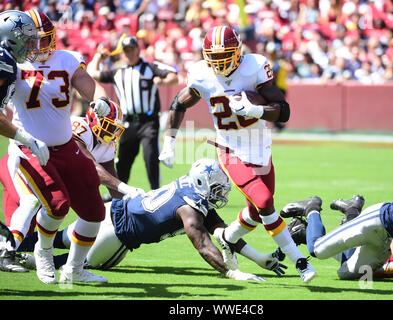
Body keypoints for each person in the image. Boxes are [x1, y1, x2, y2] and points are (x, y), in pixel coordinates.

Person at [158, 25, 316, 283]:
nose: (219, 62)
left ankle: (227, 239)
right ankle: (300, 261)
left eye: (225, 55)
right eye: (214, 57)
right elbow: (178, 103)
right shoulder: (200, 73)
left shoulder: (255, 66)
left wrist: (257, 111)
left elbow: (283, 110)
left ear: (238, 51)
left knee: (255, 213)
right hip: (229, 148)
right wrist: (169, 142)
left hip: (260, 145)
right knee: (265, 203)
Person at [18, 158, 287, 281]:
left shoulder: (190, 190)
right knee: (76, 262)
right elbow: (204, 244)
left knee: (65, 237)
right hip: (119, 237)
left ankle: (11, 246)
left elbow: (223, 234)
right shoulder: (190, 209)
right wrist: (231, 272)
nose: (219, 195)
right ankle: (24, 259)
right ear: (203, 183)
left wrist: (259, 257)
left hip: (116, 210)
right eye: (216, 189)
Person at [4, 8, 112, 284]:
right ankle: (43, 252)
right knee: (57, 204)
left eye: (43, 38)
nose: (38, 45)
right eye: (33, 39)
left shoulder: (66, 58)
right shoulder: (11, 63)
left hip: (65, 146)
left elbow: (89, 86)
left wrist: (100, 101)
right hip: (31, 147)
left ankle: (74, 269)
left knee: (94, 211)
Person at [0, 99, 146, 272]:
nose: (111, 132)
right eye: (108, 126)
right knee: (26, 211)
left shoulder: (107, 143)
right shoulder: (78, 126)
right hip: (23, 165)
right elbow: (93, 167)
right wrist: (127, 188)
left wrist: (131, 210)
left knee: (28, 235)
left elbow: (110, 177)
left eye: (114, 128)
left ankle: (67, 266)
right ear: (93, 119)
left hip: (48, 176)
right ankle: (9, 253)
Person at [280, 184, 393, 289]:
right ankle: (311, 207)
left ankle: (350, 211)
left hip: (385, 242)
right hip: (375, 223)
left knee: (348, 272)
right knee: (317, 250)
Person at [87, 35, 179, 194]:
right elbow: (92, 73)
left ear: (138, 50)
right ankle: (117, 194)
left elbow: (173, 76)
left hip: (148, 121)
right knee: (122, 160)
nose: (129, 53)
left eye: (132, 49)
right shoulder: (118, 72)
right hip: (127, 122)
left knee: (150, 157)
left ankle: (156, 192)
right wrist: (98, 56)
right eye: (126, 50)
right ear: (122, 53)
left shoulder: (149, 67)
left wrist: (163, 82)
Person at [0, 10, 48, 273]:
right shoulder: (4, 61)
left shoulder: (8, 61)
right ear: (11, 37)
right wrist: (26, 138)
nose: (31, 46)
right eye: (27, 40)